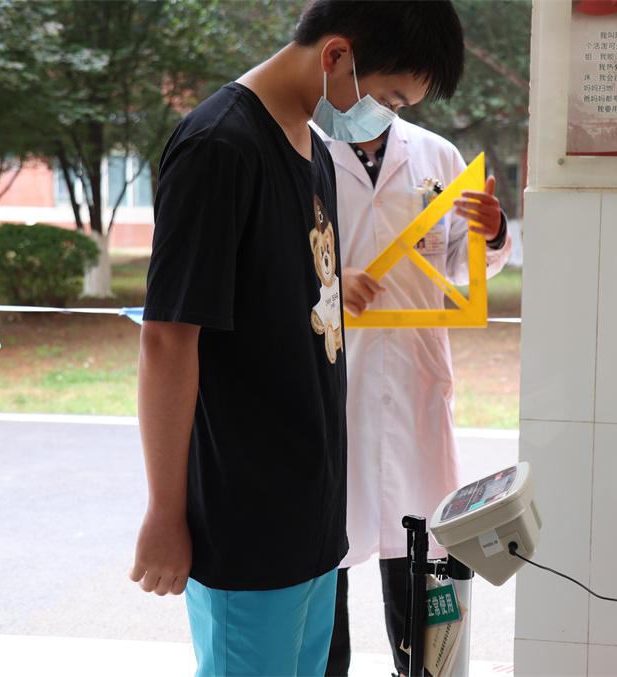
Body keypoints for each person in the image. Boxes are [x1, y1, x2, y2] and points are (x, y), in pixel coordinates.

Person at [128, 2, 465, 675]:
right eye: (388, 99)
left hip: (314, 514)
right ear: (337, 55)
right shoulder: (220, 146)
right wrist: (166, 510)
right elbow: (168, 339)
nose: (386, 118)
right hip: (247, 519)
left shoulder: (311, 150)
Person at [318, 114, 512, 676]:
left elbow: (458, 264)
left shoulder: (437, 155)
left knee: (421, 555)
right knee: (325, 559)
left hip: (415, 376)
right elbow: (276, 260)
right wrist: (330, 284)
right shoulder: (306, 151)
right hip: (335, 374)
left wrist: (492, 233)